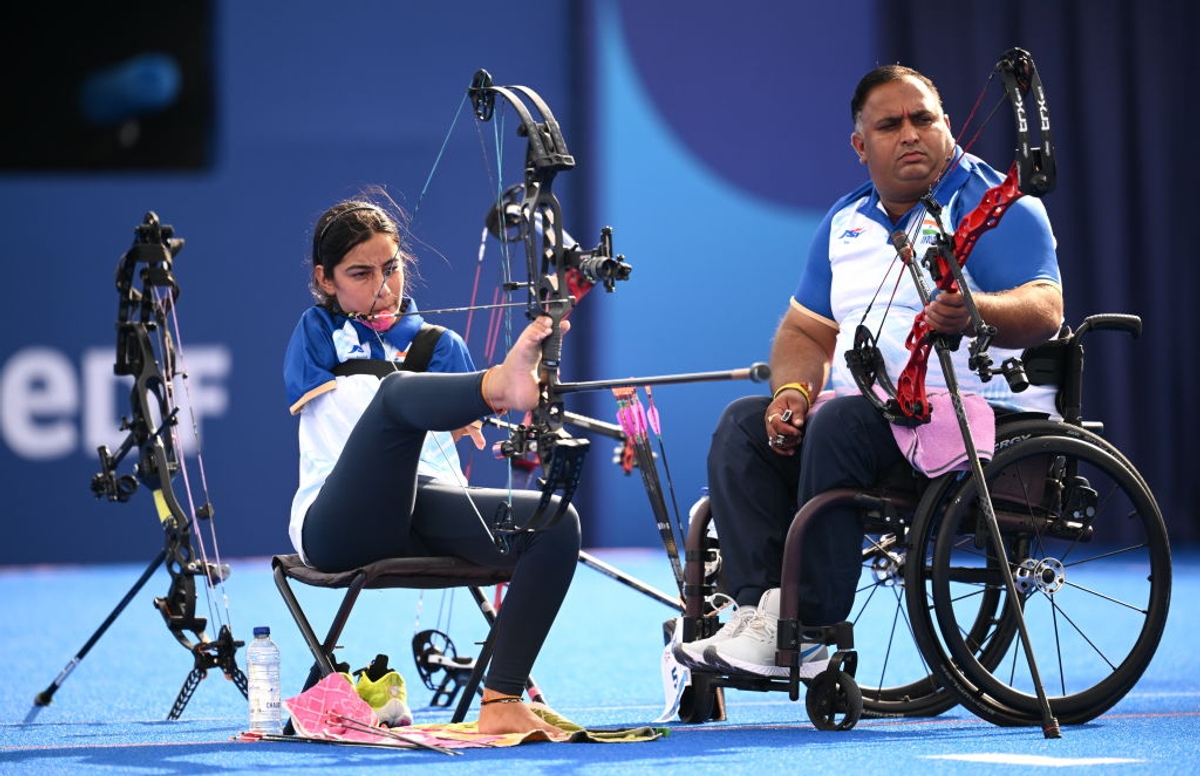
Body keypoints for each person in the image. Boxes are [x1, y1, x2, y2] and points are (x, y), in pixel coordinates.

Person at [675, 64, 1064, 678]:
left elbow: (1046, 309)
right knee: (744, 426)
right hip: (882, 420)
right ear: (862, 146)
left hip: (983, 420)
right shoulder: (844, 222)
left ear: (944, 125)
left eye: (923, 119)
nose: (911, 134)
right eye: (890, 125)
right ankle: (757, 612)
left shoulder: (1000, 205)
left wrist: (976, 311)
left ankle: (809, 627)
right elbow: (806, 330)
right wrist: (794, 393)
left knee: (844, 424)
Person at [284, 190, 581, 738]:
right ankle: (500, 384)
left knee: (555, 521)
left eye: (391, 268)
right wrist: (495, 387)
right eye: (360, 274)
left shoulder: (438, 343)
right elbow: (384, 397)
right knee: (396, 396)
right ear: (326, 280)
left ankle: (501, 698)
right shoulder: (316, 336)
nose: (383, 287)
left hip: (422, 516)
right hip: (337, 526)